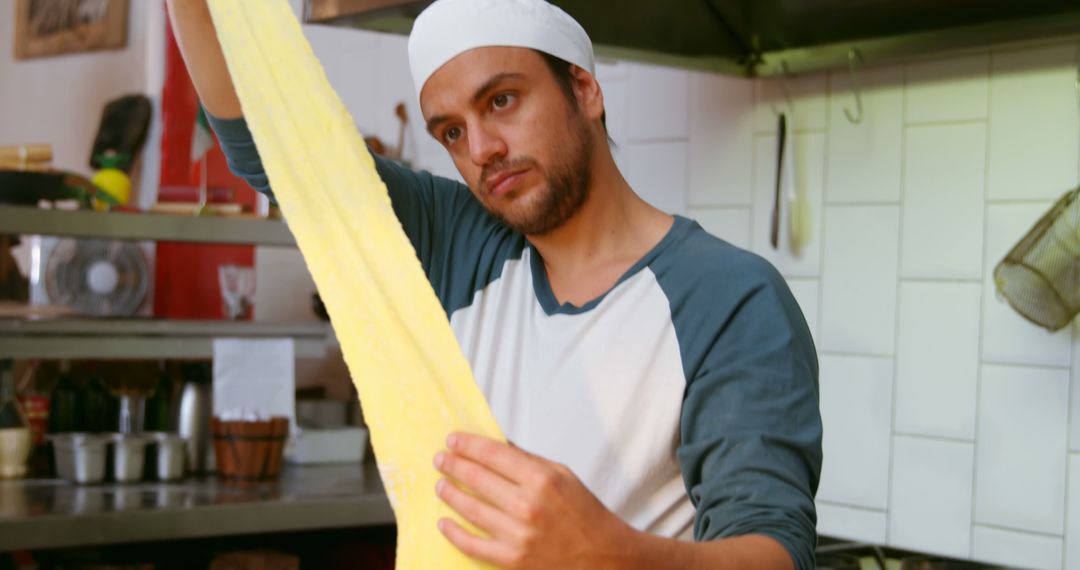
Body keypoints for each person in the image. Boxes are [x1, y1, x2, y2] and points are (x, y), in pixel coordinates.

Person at [166, 0, 822, 568]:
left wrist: (607, 555)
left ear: (585, 90)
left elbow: (772, 550)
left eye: (501, 100)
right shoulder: (459, 244)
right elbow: (273, 145)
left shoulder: (729, 297)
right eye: (451, 131)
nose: (481, 148)